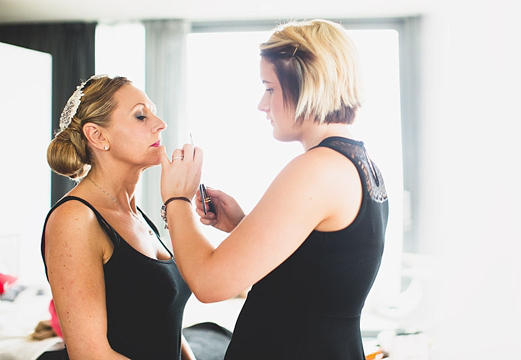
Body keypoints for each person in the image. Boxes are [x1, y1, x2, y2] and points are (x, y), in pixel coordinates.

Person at [159, 19, 389, 359]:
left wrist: (177, 198)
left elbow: (209, 284)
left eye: (269, 88)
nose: (262, 104)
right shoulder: (360, 163)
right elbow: (320, 268)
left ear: (306, 85)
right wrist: (244, 225)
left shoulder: (317, 169)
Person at [41, 75, 196, 360]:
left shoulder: (138, 216)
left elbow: (165, 323)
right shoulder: (75, 219)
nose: (161, 124)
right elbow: (91, 355)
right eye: (140, 116)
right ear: (98, 136)